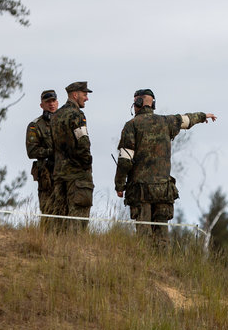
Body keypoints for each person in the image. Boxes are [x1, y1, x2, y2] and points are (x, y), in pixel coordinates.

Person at [114, 88, 216, 246]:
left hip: (141, 191)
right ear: (152, 103)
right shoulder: (167, 122)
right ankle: (163, 267)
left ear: (138, 103)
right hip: (164, 190)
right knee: (162, 238)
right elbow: (187, 119)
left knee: (144, 237)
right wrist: (203, 116)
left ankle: (145, 266)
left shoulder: (131, 126)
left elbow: (125, 160)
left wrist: (119, 185)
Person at [51, 81, 94, 232]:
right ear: (75, 95)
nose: (86, 98)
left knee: (60, 223)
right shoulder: (77, 115)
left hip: (59, 175)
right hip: (77, 176)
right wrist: (87, 163)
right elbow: (83, 143)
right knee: (77, 224)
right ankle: (75, 253)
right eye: (84, 94)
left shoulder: (55, 116)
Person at [25, 89, 59, 232]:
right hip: (46, 175)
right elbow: (32, 151)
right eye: (48, 102)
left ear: (57, 102)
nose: (51, 104)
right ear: (42, 105)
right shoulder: (35, 125)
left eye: (53, 101)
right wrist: (52, 152)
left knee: (65, 214)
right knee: (48, 212)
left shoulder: (64, 123)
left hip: (64, 174)